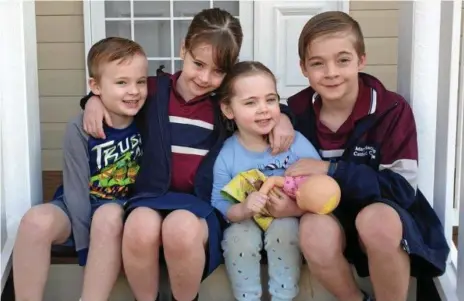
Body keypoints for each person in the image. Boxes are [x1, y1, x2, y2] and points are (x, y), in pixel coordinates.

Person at [79, 8, 296, 301]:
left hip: (199, 204)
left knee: (180, 229)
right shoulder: (153, 91)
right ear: (183, 48)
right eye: (198, 63)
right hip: (150, 196)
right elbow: (117, 97)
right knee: (139, 226)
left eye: (218, 71)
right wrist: (92, 101)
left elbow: (259, 103)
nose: (205, 77)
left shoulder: (224, 106)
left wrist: (282, 115)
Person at [286, 11, 450, 301]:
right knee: (312, 229)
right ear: (303, 68)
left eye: (343, 60)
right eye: (317, 63)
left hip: (381, 217)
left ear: (361, 60)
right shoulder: (296, 112)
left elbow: (401, 188)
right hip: (326, 215)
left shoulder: (391, 110)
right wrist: (279, 121)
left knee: (377, 221)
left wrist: (331, 169)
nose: (331, 72)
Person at [13, 37, 148, 301]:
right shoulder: (80, 127)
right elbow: (75, 191)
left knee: (107, 216)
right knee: (35, 221)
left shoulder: (148, 120)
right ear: (95, 86)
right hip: (77, 207)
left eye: (140, 81)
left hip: (120, 212)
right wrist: (85, 247)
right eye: (122, 82)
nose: (133, 91)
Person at [211, 61, 321, 301]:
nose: (263, 109)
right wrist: (242, 209)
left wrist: (294, 208)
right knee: (238, 237)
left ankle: (283, 297)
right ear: (229, 110)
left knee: (286, 228)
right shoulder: (228, 153)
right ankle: (247, 297)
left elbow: (320, 185)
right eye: (251, 102)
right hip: (246, 219)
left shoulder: (295, 143)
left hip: (289, 216)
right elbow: (219, 201)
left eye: (270, 100)